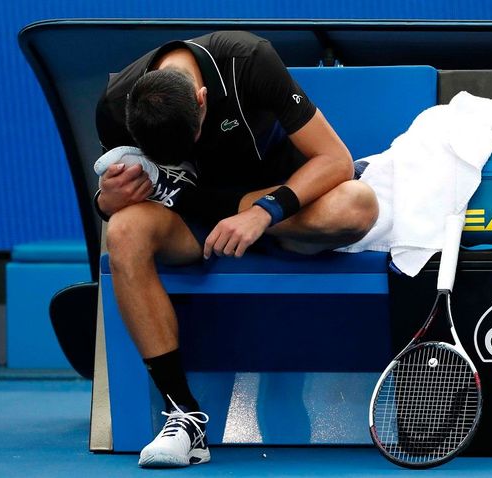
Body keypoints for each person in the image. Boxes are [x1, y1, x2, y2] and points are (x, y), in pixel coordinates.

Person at [94, 30, 378, 468]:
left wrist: (262, 213)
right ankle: (185, 416)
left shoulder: (248, 59)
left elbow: (335, 160)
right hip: (195, 221)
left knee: (357, 204)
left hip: (276, 205)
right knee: (124, 232)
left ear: (202, 99)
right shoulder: (115, 105)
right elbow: (111, 198)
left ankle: (271, 231)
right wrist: (106, 202)